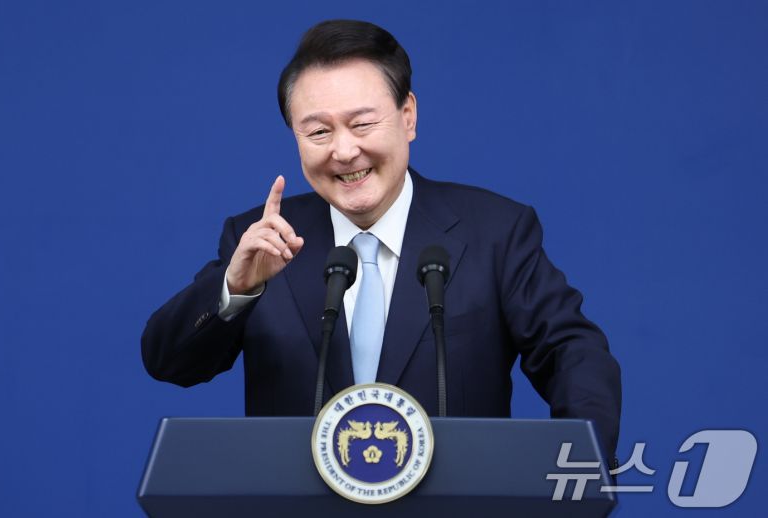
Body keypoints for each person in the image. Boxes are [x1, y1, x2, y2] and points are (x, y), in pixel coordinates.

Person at [141, 19, 621, 463]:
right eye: (319, 131)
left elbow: (571, 352)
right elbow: (168, 362)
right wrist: (236, 288)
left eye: (362, 124)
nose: (344, 150)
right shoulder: (264, 240)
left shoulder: (494, 231)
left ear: (407, 116)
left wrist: (579, 471)